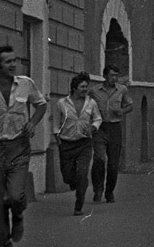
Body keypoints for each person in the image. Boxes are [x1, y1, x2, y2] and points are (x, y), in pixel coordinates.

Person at [0, 45, 47, 246]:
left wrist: (32, 123)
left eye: (15, 60)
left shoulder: (26, 84)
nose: (14, 64)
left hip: (18, 147)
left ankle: (18, 215)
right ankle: (4, 242)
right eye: (8, 61)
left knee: (15, 195)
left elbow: (41, 104)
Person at [55, 73, 101, 215]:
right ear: (74, 88)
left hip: (84, 143)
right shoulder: (61, 103)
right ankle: (74, 183)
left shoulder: (91, 103)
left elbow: (97, 119)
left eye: (86, 87)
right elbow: (56, 124)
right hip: (66, 144)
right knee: (67, 176)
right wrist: (58, 140)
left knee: (82, 173)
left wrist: (93, 127)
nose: (85, 89)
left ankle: (78, 205)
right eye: (82, 87)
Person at [89, 64, 133, 203]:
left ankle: (109, 192)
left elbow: (130, 105)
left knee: (113, 163)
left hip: (115, 128)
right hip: (100, 128)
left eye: (116, 75)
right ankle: (98, 190)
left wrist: (122, 111)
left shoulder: (122, 90)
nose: (114, 78)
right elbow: (87, 106)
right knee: (99, 159)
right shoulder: (94, 91)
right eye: (111, 75)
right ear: (104, 76)